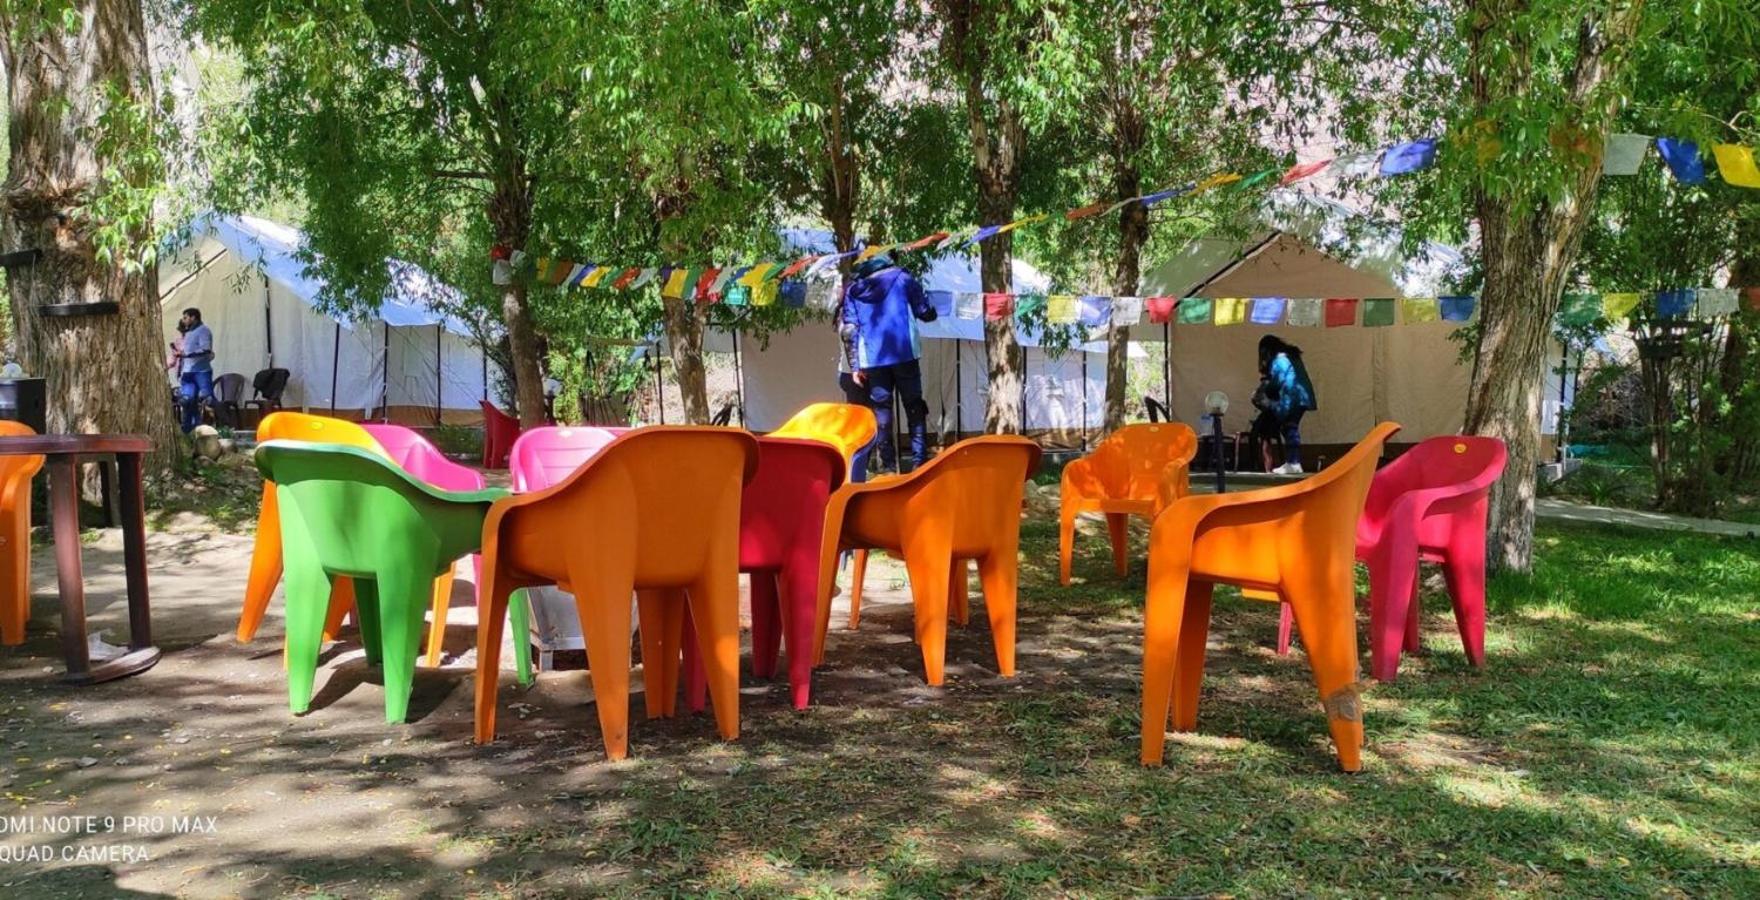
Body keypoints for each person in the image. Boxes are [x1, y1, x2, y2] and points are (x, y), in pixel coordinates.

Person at [838, 254, 937, 480]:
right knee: (914, 407)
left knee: (882, 412)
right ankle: (919, 464)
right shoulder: (903, 278)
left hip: (873, 359)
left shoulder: (854, 288)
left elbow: (849, 330)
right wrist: (931, 312)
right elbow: (924, 311)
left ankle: (889, 468)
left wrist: (855, 365)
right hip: (905, 354)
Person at [1251, 334, 1317, 475]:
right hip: (1303, 397)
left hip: (1292, 397)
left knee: (1289, 427)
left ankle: (1293, 463)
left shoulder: (1278, 360)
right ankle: (1293, 462)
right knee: (1290, 427)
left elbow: (1277, 382)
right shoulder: (1292, 357)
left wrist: (1265, 391)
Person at [175, 307, 215, 433]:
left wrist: (187, 355)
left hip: (201, 371)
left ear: (193, 317)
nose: (184, 320)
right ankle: (189, 430)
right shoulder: (188, 333)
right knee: (187, 400)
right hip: (187, 372)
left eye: (186, 317)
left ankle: (218, 427)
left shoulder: (204, 331)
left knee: (207, 399)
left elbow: (206, 350)